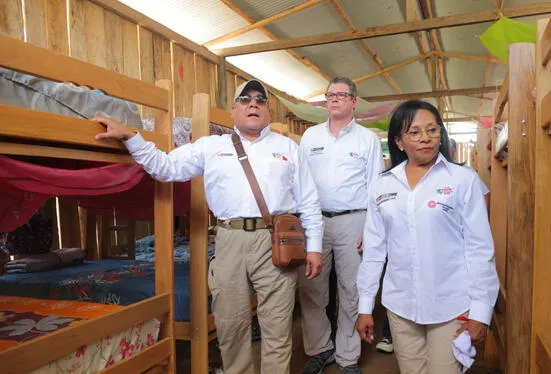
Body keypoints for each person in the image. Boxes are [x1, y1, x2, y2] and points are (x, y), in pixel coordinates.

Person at [94, 79, 324, 374]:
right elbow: (165, 167)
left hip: (275, 241)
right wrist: (131, 136)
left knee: (278, 328)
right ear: (233, 111)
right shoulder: (211, 146)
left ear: (267, 111)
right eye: (245, 99)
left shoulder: (289, 149)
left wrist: (315, 248)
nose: (253, 103)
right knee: (230, 326)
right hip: (229, 240)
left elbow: (309, 201)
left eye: (260, 99)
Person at [356, 100, 499, 374]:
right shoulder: (383, 185)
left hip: (452, 304)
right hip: (400, 305)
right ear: (399, 141)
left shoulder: (462, 180)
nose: (425, 138)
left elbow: (479, 249)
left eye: (432, 130)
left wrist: (481, 313)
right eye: (414, 132)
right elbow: (374, 252)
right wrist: (365, 307)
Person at [298, 77, 383, 374]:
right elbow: (299, 183)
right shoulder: (309, 137)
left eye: (341, 95)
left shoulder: (367, 140)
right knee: (311, 286)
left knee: (352, 288)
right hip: (315, 221)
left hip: (354, 220)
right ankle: (321, 349)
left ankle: (347, 356)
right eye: (329, 95)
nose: (334, 99)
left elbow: (376, 188)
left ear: (353, 102)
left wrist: (370, 229)